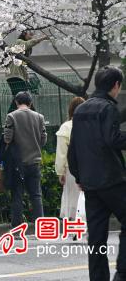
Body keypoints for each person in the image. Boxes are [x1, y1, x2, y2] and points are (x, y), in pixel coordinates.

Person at [69, 67, 126, 281]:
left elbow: (74, 148)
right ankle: (122, 272)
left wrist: (79, 175)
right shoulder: (108, 108)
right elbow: (113, 140)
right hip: (111, 178)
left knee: (97, 236)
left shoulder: (81, 109)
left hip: (90, 183)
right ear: (115, 85)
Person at [3, 90, 46, 228]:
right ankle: (40, 226)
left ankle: (16, 227)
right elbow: (43, 139)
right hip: (34, 162)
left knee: (17, 195)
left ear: (16, 102)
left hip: (17, 163)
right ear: (30, 103)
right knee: (36, 195)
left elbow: (7, 138)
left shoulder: (11, 116)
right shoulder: (39, 117)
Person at [55, 95, 85, 226]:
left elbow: (61, 152)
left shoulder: (66, 127)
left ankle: (73, 225)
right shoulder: (89, 125)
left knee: (72, 199)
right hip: (90, 167)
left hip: (71, 169)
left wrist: (60, 172)